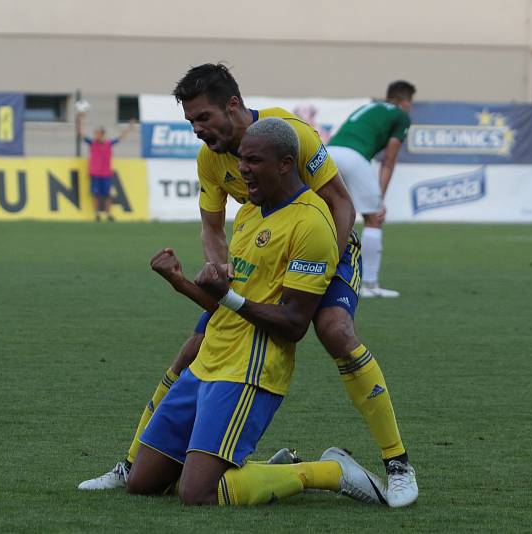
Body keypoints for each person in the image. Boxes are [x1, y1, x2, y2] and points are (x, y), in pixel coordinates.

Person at [78, 64, 417, 508]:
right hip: (258, 256)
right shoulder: (211, 160)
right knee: (194, 347)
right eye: (190, 122)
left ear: (233, 106)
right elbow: (212, 227)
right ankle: (131, 463)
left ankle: (396, 463)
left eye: (203, 118)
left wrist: (312, 277)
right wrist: (222, 277)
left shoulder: (292, 135)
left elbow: (339, 203)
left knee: (335, 331)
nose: (197, 130)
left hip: (325, 246)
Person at [125, 118, 387, 506]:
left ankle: (329, 471)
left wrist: (228, 296)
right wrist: (180, 281)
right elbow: (225, 306)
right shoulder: (249, 213)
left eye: (254, 160)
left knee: (197, 493)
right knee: (142, 482)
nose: (242, 168)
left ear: (285, 163)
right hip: (208, 362)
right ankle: (252, 468)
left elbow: (294, 324)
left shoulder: (311, 223)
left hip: (249, 371)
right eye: (242, 159)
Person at [328, 81, 416, 297]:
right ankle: (369, 285)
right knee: (374, 219)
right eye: (410, 102)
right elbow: (389, 159)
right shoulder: (401, 116)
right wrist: (380, 200)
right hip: (353, 157)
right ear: (403, 101)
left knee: (329, 216)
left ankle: (321, 276)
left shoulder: (369, 108)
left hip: (328, 153)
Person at [76, 112, 136, 222]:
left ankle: (108, 214)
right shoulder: (92, 143)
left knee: (108, 195)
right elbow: (81, 133)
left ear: (102, 134)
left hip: (106, 174)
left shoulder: (109, 143)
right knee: (96, 194)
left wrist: (130, 127)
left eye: (97, 133)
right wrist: (80, 119)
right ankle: (97, 214)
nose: (95, 135)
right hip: (95, 173)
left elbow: (121, 137)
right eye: (95, 134)